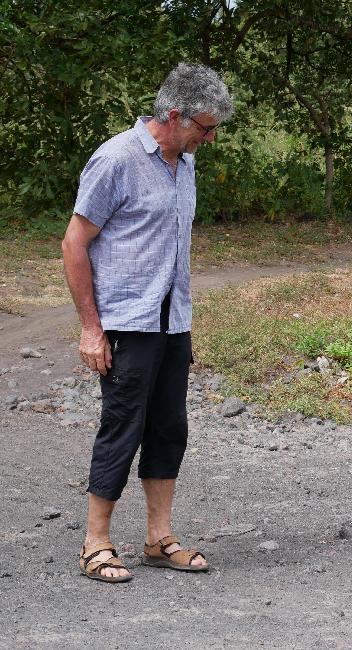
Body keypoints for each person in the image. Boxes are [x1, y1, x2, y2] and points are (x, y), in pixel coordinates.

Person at [62, 63, 234, 582]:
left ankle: (158, 539)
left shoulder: (184, 162)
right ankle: (96, 543)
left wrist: (181, 324)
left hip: (171, 321)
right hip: (126, 322)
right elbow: (74, 244)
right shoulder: (115, 160)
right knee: (122, 426)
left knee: (168, 428)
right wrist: (91, 328)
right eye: (205, 127)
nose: (210, 137)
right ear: (174, 115)